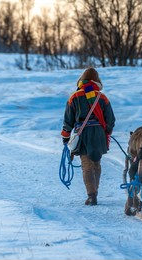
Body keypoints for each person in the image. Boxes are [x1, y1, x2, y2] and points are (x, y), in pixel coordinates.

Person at [61, 68, 116, 206]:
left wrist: (66, 136)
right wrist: (105, 132)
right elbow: (111, 119)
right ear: (97, 82)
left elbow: (68, 120)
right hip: (98, 134)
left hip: (83, 134)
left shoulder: (74, 97)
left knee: (86, 165)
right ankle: (94, 192)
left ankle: (92, 196)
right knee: (96, 163)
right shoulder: (102, 97)